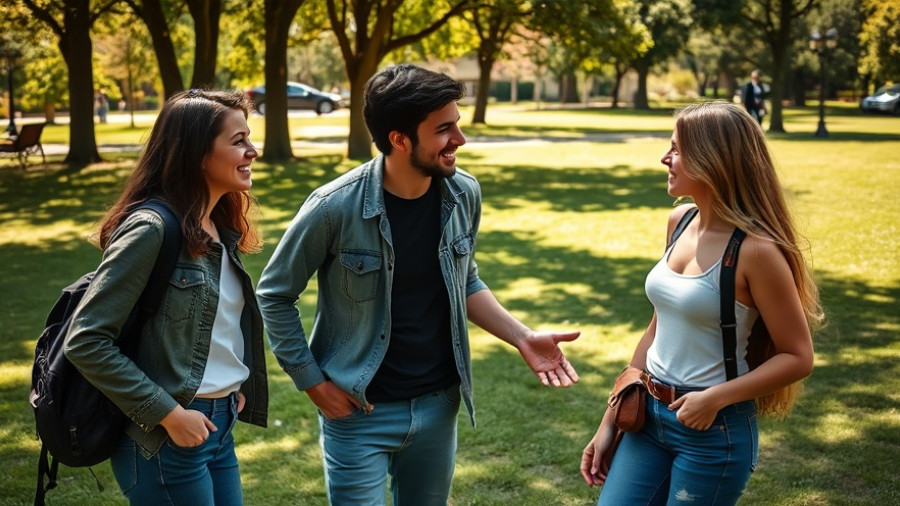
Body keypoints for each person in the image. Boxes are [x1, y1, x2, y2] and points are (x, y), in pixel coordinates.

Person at [256, 64, 581, 505]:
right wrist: (311, 381)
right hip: (358, 412)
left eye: (457, 125)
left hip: (437, 406)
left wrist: (522, 337)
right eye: (444, 130)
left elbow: (464, 280)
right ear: (399, 138)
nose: (460, 140)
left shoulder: (463, 193)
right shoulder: (333, 207)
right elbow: (275, 294)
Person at [580, 101, 823, 504]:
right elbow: (658, 328)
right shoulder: (680, 223)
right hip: (649, 418)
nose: (665, 158)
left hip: (714, 434)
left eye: (677, 149)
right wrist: (612, 419)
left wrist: (715, 398)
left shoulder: (756, 252)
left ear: (714, 159)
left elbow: (799, 357)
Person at [64, 89, 268, 505]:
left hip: (217, 423)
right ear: (196, 152)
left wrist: (232, 380)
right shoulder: (151, 228)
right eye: (238, 141)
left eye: (249, 138)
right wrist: (170, 415)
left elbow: (212, 324)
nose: (253, 150)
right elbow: (86, 341)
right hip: (165, 438)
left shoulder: (217, 226)